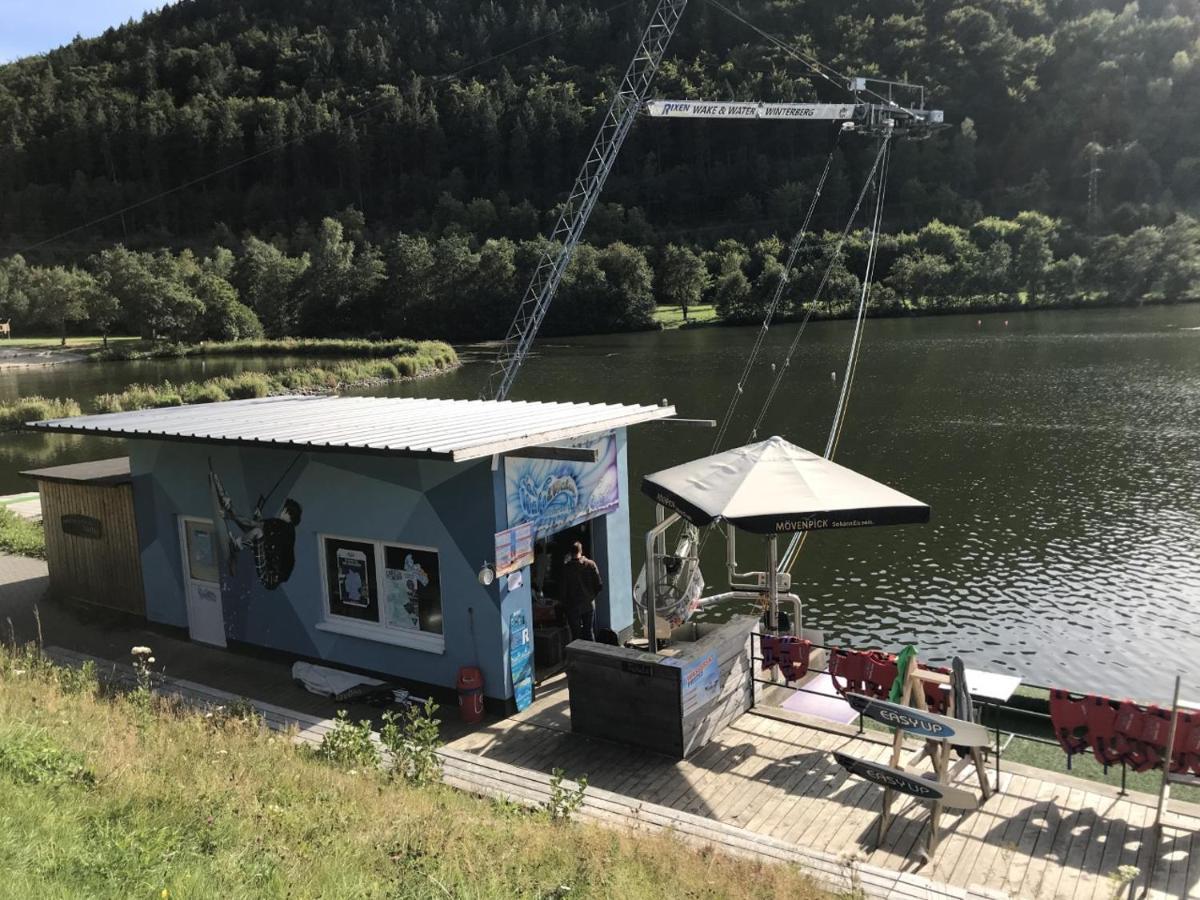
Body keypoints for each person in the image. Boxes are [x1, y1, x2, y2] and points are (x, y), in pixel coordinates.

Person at [560, 541, 602, 642]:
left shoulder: (566, 569)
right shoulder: (591, 564)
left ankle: (578, 656)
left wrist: (564, 605)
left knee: (576, 635)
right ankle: (592, 656)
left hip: (573, 606)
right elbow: (599, 585)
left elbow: (563, 591)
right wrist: (592, 596)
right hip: (588, 603)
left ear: (570, 553)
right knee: (588, 632)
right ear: (581, 551)